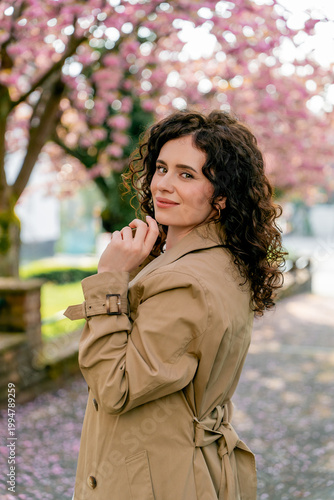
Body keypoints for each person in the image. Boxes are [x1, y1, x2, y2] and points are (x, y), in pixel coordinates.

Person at [65, 110, 285, 500]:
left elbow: (117, 387)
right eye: (162, 168)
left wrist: (110, 277)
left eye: (187, 175)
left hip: (153, 479)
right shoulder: (220, 259)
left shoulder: (187, 281)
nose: (163, 185)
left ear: (221, 197)